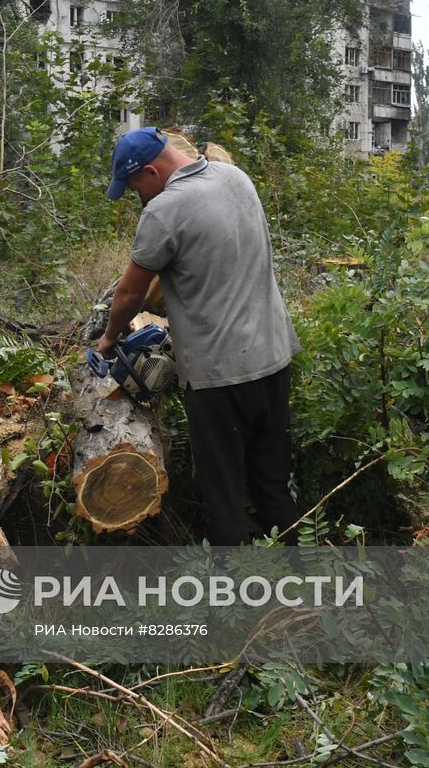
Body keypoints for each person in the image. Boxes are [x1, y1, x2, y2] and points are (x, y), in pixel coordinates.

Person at [95, 127, 301, 545]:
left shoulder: (164, 211)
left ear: (151, 171)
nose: (139, 196)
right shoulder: (237, 177)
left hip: (218, 377)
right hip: (273, 358)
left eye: (136, 186)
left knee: (223, 494)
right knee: (273, 481)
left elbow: (131, 292)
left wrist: (110, 337)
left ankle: (234, 601)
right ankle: (296, 583)